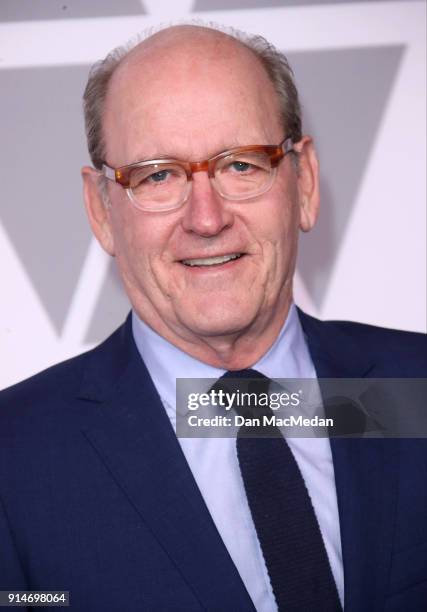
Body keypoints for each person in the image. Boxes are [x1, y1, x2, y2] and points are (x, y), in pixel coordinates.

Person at [0, 23, 426, 612]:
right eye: (157, 174)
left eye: (242, 165)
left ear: (302, 183)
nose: (206, 218)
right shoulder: (13, 458)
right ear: (102, 210)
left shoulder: (416, 388)